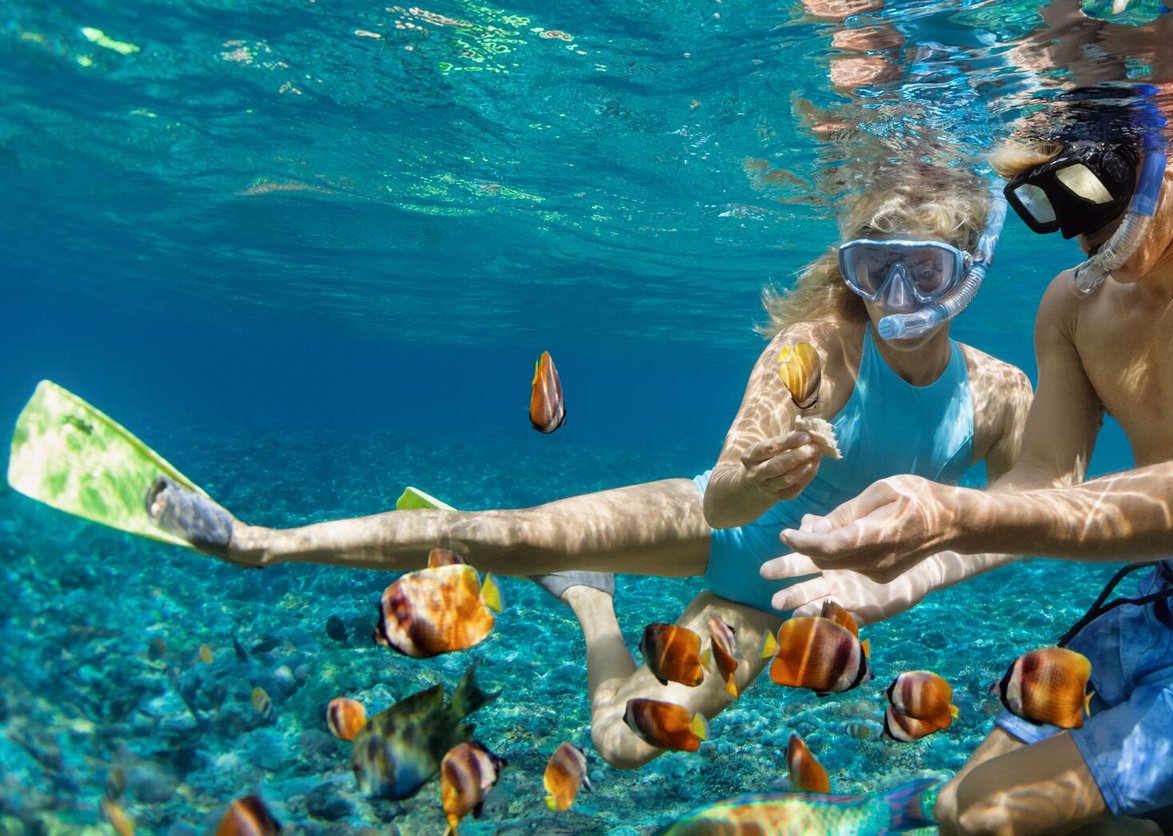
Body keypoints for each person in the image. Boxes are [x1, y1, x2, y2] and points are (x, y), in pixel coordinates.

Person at [145, 160, 1035, 770]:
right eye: (874, 270)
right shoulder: (817, 350)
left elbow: (1028, 516)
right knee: (492, 534)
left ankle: (589, 599)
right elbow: (724, 493)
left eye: (924, 270)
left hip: (767, 605)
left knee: (624, 746)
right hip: (705, 522)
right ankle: (261, 541)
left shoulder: (999, 394)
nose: (897, 298)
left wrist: (921, 565)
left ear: (969, 275)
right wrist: (761, 475)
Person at [766, 94, 1173, 834]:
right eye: (1047, 207)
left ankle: (1060, 809)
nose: (1084, 236)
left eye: (1090, 191)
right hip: (1157, 606)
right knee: (974, 801)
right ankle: (1140, 821)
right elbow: (1043, 480)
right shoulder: (1072, 306)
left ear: (1164, 155)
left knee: (983, 816)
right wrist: (913, 573)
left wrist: (952, 515)